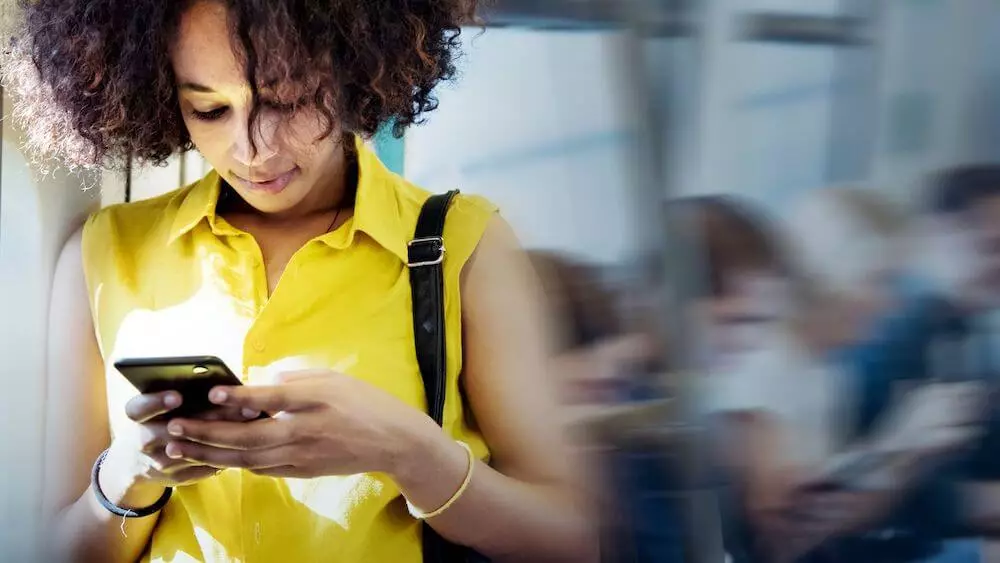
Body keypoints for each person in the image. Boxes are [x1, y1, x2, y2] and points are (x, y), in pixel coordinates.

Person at [2, 1, 593, 562]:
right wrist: (128, 475)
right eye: (209, 110)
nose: (253, 150)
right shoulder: (104, 252)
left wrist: (411, 453)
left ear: (358, 68)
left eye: (287, 101)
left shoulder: (464, 246)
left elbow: (570, 543)